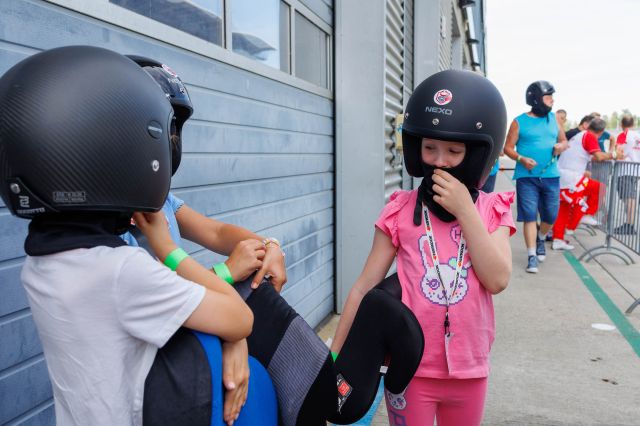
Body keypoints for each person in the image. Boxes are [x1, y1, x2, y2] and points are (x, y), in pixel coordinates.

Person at [0, 46, 258, 425]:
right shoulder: (121, 271)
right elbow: (240, 318)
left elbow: (213, 233)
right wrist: (168, 249)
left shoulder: (42, 262)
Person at [331, 69, 516, 426]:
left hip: (469, 370)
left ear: (478, 155)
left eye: (454, 151)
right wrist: (335, 358)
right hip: (409, 366)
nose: (439, 161)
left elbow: (497, 279)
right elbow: (363, 287)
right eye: (429, 148)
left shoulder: (492, 211)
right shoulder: (400, 210)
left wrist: (465, 210)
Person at [121, 56, 286, 292]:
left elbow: (216, 232)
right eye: (160, 130)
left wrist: (268, 246)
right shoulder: (107, 224)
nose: (171, 141)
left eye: (173, 130)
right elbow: (161, 299)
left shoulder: (159, 199)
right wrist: (225, 272)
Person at [503, 80, 568, 273]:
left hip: (551, 176)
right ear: (536, 99)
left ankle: (541, 238)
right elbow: (507, 148)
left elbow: (564, 141)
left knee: (550, 215)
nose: (552, 101)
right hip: (526, 177)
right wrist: (521, 158)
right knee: (529, 216)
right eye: (548, 98)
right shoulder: (519, 121)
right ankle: (532, 255)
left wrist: (560, 147)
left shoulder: (554, 119)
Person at [552, 118, 620, 248]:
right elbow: (599, 157)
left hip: (565, 175)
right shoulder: (589, 136)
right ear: (601, 132)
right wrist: (615, 155)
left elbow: (593, 156)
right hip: (572, 177)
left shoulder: (580, 135)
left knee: (563, 209)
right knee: (600, 188)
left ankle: (558, 240)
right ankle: (583, 217)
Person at [614, 114, 640, 234]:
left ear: (621, 125)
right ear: (633, 124)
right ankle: (629, 223)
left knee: (629, 198)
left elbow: (619, 153)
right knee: (630, 197)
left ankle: (629, 224)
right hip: (635, 170)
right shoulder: (637, 135)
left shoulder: (624, 135)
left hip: (625, 170)